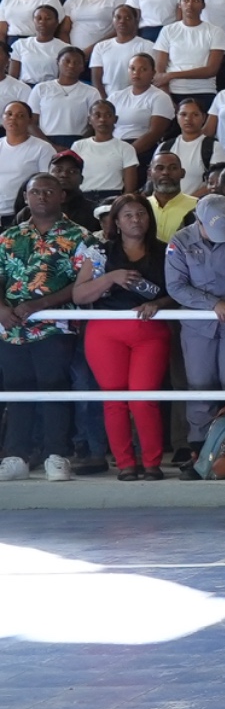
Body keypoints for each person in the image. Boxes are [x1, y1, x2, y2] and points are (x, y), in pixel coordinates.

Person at [162, 194, 225, 479]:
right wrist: (212, 303)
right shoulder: (180, 241)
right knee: (200, 387)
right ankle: (199, 455)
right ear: (198, 221)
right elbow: (176, 286)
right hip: (199, 325)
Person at [70, 193, 172, 480]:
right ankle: (125, 463)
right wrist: (109, 278)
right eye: (127, 215)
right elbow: (79, 295)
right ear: (116, 221)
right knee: (114, 398)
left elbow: (178, 292)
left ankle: (151, 462)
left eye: (141, 213)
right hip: (105, 332)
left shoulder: (166, 251)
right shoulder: (100, 252)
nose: (135, 220)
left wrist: (158, 303)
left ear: (149, 218)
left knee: (143, 397)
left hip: (149, 331)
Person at [0, 174, 86, 484]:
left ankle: (56, 455)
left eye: (48, 191)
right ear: (26, 197)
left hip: (55, 326)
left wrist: (40, 304)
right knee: (16, 389)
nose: (41, 196)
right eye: (35, 191)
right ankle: (15, 456)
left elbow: (82, 284)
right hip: (12, 328)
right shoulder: (9, 236)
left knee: (54, 387)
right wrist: (2, 309)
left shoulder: (80, 236)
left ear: (62, 195)